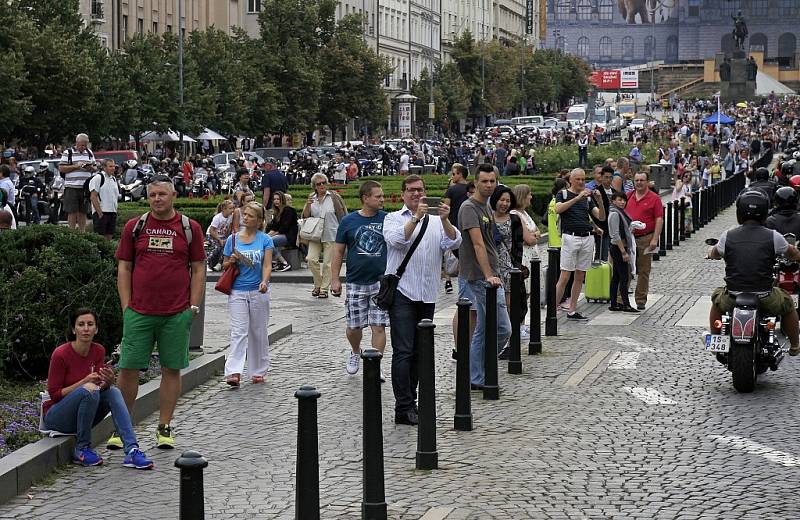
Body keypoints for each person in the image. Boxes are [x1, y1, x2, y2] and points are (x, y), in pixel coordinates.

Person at [115, 175, 206, 449]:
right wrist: (126, 306)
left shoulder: (190, 228)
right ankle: (122, 428)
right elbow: (124, 267)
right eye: (152, 194)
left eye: (162, 194)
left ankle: (164, 426)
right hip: (139, 312)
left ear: (173, 196)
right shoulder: (135, 226)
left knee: (171, 369)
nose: (157, 199)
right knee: (128, 369)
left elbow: (199, 268)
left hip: (176, 312)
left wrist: (193, 306)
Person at [384, 174, 461, 425]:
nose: (416, 194)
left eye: (420, 190)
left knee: (419, 353)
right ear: (403, 194)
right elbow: (398, 240)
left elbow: (454, 241)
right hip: (402, 293)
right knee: (403, 352)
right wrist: (416, 218)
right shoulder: (393, 218)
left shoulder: (437, 221)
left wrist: (446, 219)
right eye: (411, 191)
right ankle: (402, 406)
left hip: (427, 294)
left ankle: (412, 402)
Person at [43, 308, 154, 469]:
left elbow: (97, 388)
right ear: (74, 329)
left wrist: (108, 382)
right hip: (57, 417)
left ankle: (132, 450)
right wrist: (83, 383)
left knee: (113, 391)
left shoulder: (98, 350)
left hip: (85, 410)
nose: (86, 329)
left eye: (90, 324)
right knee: (89, 389)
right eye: (81, 324)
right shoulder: (61, 354)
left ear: (96, 329)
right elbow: (54, 395)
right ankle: (82, 448)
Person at [708, 190, 800, 356]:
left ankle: (716, 342)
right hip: (765, 296)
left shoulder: (727, 236)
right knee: (788, 304)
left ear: (739, 212)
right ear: (765, 211)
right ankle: (795, 346)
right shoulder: (774, 237)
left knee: (716, 301)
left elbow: (714, 252)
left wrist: (710, 253)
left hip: (733, 295)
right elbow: (792, 253)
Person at [458, 164, 512, 388]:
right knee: (502, 328)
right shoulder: (469, 208)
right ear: (476, 182)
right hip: (481, 277)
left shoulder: (486, 207)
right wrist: (489, 275)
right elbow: (478, 244)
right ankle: (480, 369)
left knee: (483, 329)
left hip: (492, 274)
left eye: (493, 181)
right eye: (485, 181)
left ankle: (476, 375)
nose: (489, 185)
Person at [330, 180, 389, 381]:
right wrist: (335, 279)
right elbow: (338, 251)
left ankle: (375, 364)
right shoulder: (348, 221)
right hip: (356, 281)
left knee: (378, 325)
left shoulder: (387, 219)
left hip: (380, 283)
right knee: (354, 326)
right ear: (365, 198)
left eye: (382, 196)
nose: (382, 199)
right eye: (378, 196)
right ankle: (356, 351)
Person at [221, 202, 273, 386]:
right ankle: (234, 371)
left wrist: (264, 281)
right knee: (239, 331)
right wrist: (232, 261)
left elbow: (267, 264)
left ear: (259, 221)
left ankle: (258, 370)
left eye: (250, 216)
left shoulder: (265, 239)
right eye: (245, 214)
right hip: (237, 291)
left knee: (258, 331)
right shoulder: (232, 240)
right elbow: (224, 265)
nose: (245, 218)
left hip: (258, 291)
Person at [554, 168, 606, 320]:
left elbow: (600, 217)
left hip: (587, 237)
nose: (582, 182)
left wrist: (600, 200)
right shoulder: (562, 194)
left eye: (583, 179)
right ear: (571, 180)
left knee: (580, 275)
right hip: (570, 237)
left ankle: (572, 308)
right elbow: (558, 209)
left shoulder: (587, 198)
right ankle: (553, 309)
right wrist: (577, 198)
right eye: (578, 179)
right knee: (565, 275)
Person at [302, 173, 346, 298]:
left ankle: (324, 289)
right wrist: (308, 204)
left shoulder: (334, 197)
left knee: (328, 263)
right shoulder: (312, 197)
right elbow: (305, 216)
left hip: (332, 233)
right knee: (311, 259)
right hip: (315, 233)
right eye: (318, 184)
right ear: (314, 186)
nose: (322, 185)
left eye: (323, 183)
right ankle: (318, 283)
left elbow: (342, 213)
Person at [625, 169, 664, 310]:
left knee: (643, 270)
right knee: (625, 269)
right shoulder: (628, 196)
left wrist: (655, 239)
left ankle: (640, 299)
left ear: (647, 182)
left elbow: (659, 219)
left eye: (642, 180)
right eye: (637, 180)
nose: (639, 183)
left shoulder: (654, 198)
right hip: (629, 238)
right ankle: (620, 298)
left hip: (646, 238)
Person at [607, 193, 638, 313]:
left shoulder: (620, 212)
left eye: (624, 200)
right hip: (618, 247)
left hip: (619, 247)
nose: (622, 202)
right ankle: (626, 304)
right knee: (624, 277)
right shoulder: (615, 214)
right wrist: (623, 252)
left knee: (616, 276)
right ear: (613, 201)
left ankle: (614, 303)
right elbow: (615, 234)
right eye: (619, 200)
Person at [58, 133, 96, 231]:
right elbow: (61, 168)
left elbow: (95, 168)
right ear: (77, 143)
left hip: (84, 187)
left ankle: (82, 232)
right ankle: (72, 232)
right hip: (72, 186)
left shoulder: (89, 153)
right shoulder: (68, 152)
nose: (83, 147)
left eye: (85, 145)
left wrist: (91, 168)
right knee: (72, 211)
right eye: (82, 145)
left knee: (83, 211)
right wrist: (76, 166)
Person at [442, 163, 471, 295]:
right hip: (470, 226)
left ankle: (462, 289)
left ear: (460, 174)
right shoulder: (471, 189)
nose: (452, 176)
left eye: (454, 174)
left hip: (453, 227)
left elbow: (445, 208)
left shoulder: (452, 190)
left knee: (455, 256)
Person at [89, 159, 120, 240]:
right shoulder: (98, 178)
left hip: (112, 213)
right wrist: (100, 213)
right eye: (110, 166)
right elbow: (93, 197)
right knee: (100, 239)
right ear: (104, 167)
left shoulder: (113, 179)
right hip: (102, 212)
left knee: (109, 237)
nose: (113, 168)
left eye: (114, 166)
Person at [266, 191, 298, 272]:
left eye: (278, 199)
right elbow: (274, 228)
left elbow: (284, 229)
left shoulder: (289, 210)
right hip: (281, 235)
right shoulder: (277, 212)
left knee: (269, 241)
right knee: (266, 240)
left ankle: (284, 263)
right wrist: (266, 236)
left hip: (289, 236)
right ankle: (274, 262)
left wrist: (269, 237)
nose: (276, 201)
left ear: (282, 200)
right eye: (274, 199)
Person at [207, 199, 235, 271]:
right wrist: (219, 240)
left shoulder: (231, 217)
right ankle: (207, 263)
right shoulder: (217, 218)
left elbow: (229, 230)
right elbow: (211, 230)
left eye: (233, 208)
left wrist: (226, 239)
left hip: (222, 237)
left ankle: (219, 264)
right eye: (230, 208)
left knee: (225, 248)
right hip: (212, 235)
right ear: (224, 209)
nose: (232, 210)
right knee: (217, 248)